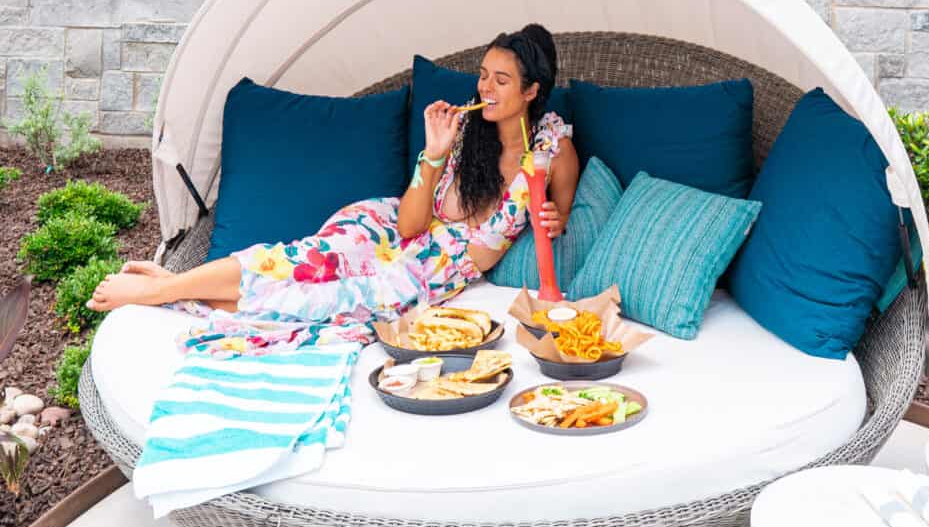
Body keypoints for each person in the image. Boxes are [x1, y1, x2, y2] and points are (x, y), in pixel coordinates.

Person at [87, 24, 579, 354]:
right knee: (298, 262)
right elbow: (410, 224)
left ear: (532, 91)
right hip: (391, 228)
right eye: (482, 76)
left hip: (433, 268)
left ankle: (166, 288)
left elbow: (558, 216)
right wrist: (433, 152)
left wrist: (554, 218)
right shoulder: (464, 134)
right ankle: (163, 289)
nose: (485, 89)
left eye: (501, 80)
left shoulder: (553, 151)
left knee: (321, 306)